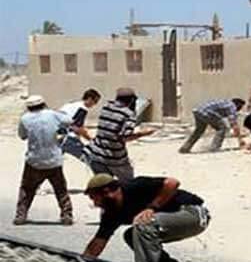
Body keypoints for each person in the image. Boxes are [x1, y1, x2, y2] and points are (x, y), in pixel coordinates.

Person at [82, 173, 210, 262]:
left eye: (94, 198)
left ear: (106, 192)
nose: (95, 203)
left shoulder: (133, 186)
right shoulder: (112, 213)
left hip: (193, 214)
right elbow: (97, 243)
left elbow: (172, 182)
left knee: (143, 225)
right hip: (170, 223)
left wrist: (152, 208)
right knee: (131, 235)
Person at [14, 95, 74, 225]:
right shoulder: (52, 114)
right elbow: (69, 121)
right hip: (54, 160)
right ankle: (67, 215)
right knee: (61, 189)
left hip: (34, 160)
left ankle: (20, 216)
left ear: (29, 107)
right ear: (43, 104)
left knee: (27, 189)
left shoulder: (25, 118)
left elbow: (22, 136)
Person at [84, 88, 155, 182]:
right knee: (129, 185)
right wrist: (143, 133)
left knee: (105, 187)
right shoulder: (128, 114)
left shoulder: (106, 107)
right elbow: (125, 137)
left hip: (95, 154)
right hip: (115, 158)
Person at [178, 98, 245, 153]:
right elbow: (234, 124)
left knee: (199, 130)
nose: (239, 110)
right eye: (241, 107)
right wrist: (240, 140)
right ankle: (214, 148)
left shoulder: (225, 102)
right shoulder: (232, 106)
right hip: (206, 112)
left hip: (198, 111)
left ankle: (185, 148)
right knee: (222, 128)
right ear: (238, 105)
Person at [58, 88, 101, 162]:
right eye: (95, 101)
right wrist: (91, 139)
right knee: (89, 158)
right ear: (90, 99)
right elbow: (77, 129)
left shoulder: (72, 104)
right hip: (69, 139)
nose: (95, 105)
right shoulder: (82, 109)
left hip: (59, 137)